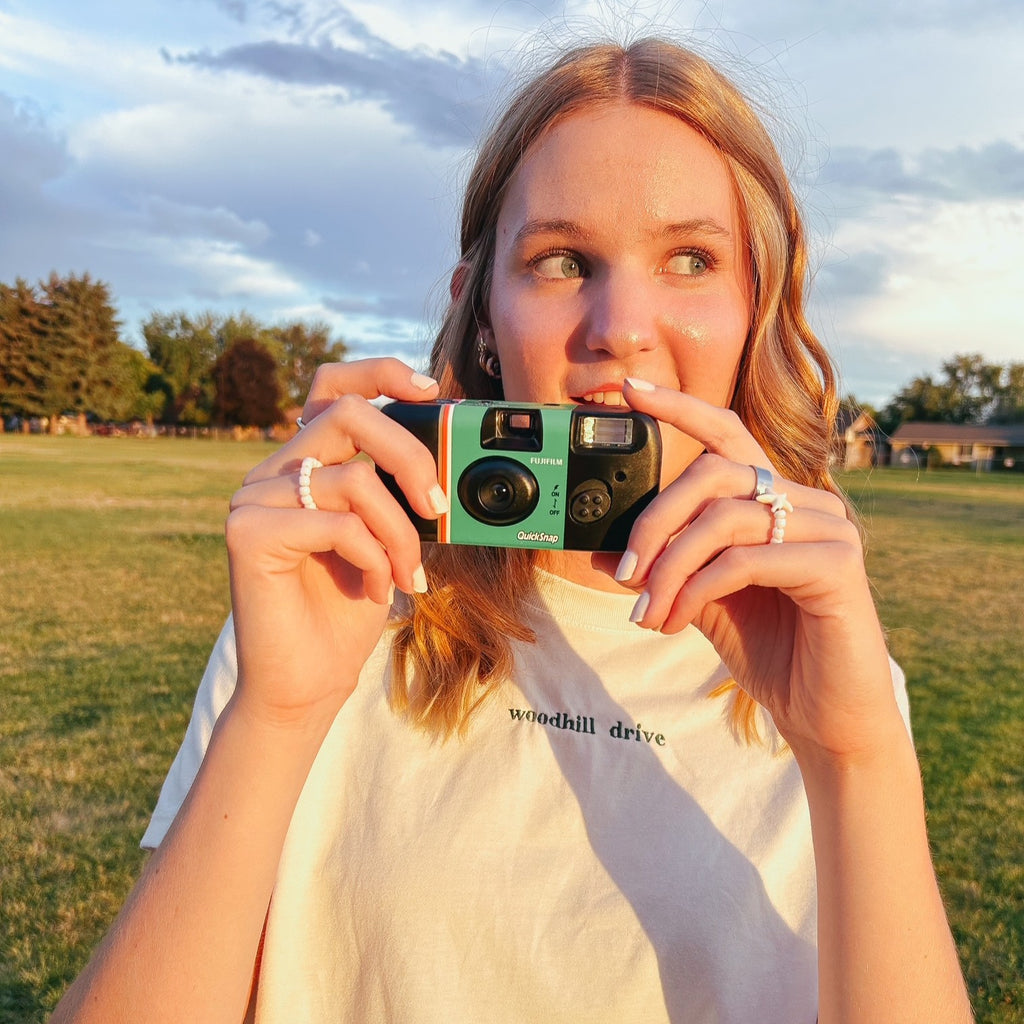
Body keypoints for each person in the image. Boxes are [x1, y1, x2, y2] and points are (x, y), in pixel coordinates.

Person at [53, 37, 973, 1024]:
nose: (620, 325)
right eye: (560, 260)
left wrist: (853, 759)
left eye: (692, 258)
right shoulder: (344, 597)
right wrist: (276, 715)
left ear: (757, 307)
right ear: (480, 312)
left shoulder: (835, 673)